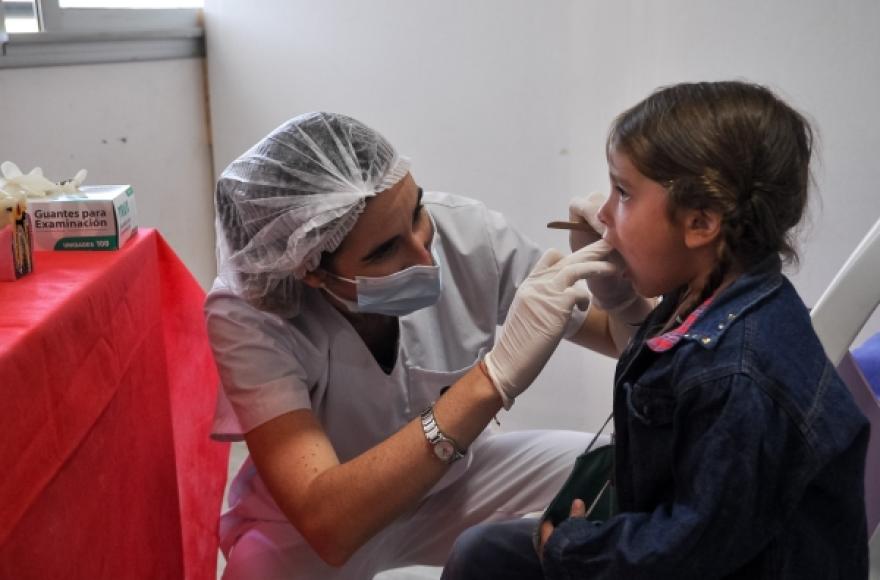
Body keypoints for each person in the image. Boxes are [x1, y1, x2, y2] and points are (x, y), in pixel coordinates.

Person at [442, 81, 871, 579]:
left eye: (622, 193)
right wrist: (626, 302)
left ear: (701, 223)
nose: (602, 214)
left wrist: (579, 548)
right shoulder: (712, 299)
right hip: (689, 537)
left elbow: (691, 550)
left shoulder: (737, 376)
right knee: (484, 553)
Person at [206, 112, 652, 579]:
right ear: (309, 269)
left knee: (620, 470)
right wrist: (493, 378)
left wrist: (624, 298)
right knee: (256, 571)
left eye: (418, 212)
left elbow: (610, 333)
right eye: (384, 251)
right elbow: (328, 524)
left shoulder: (466, 233)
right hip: (330, 519)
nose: (424, 253)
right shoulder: (249, 315)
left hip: (456, 481)